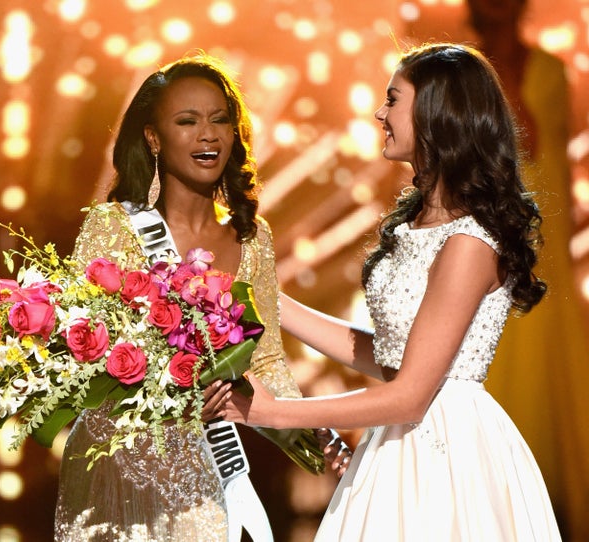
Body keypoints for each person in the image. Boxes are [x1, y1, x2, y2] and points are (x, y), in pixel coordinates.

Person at [221, 42, 562, 540]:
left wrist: (273, 413)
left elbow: (409, 396)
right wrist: (266, 303)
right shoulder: (421, 225)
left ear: (436, 114)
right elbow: (390, 357)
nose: (380, 113)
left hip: (447, 456)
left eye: (393, 99)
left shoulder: (468, 243)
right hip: (400, 442)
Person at [53, 52, 329, 541]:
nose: (208, 134)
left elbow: (265, 363)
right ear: (153, 138)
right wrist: (168, 403)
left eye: (220, 120)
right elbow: (78, 362)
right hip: (119, 471)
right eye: (188, 121)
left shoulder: (252, 237)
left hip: (209, 476)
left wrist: (316, 433)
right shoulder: (114, 229)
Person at [465, 1, 589, 538]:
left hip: (547, 244)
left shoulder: (548, 69)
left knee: (552, 366)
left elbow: (540, 145)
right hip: (487, 240)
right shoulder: (463, 73)